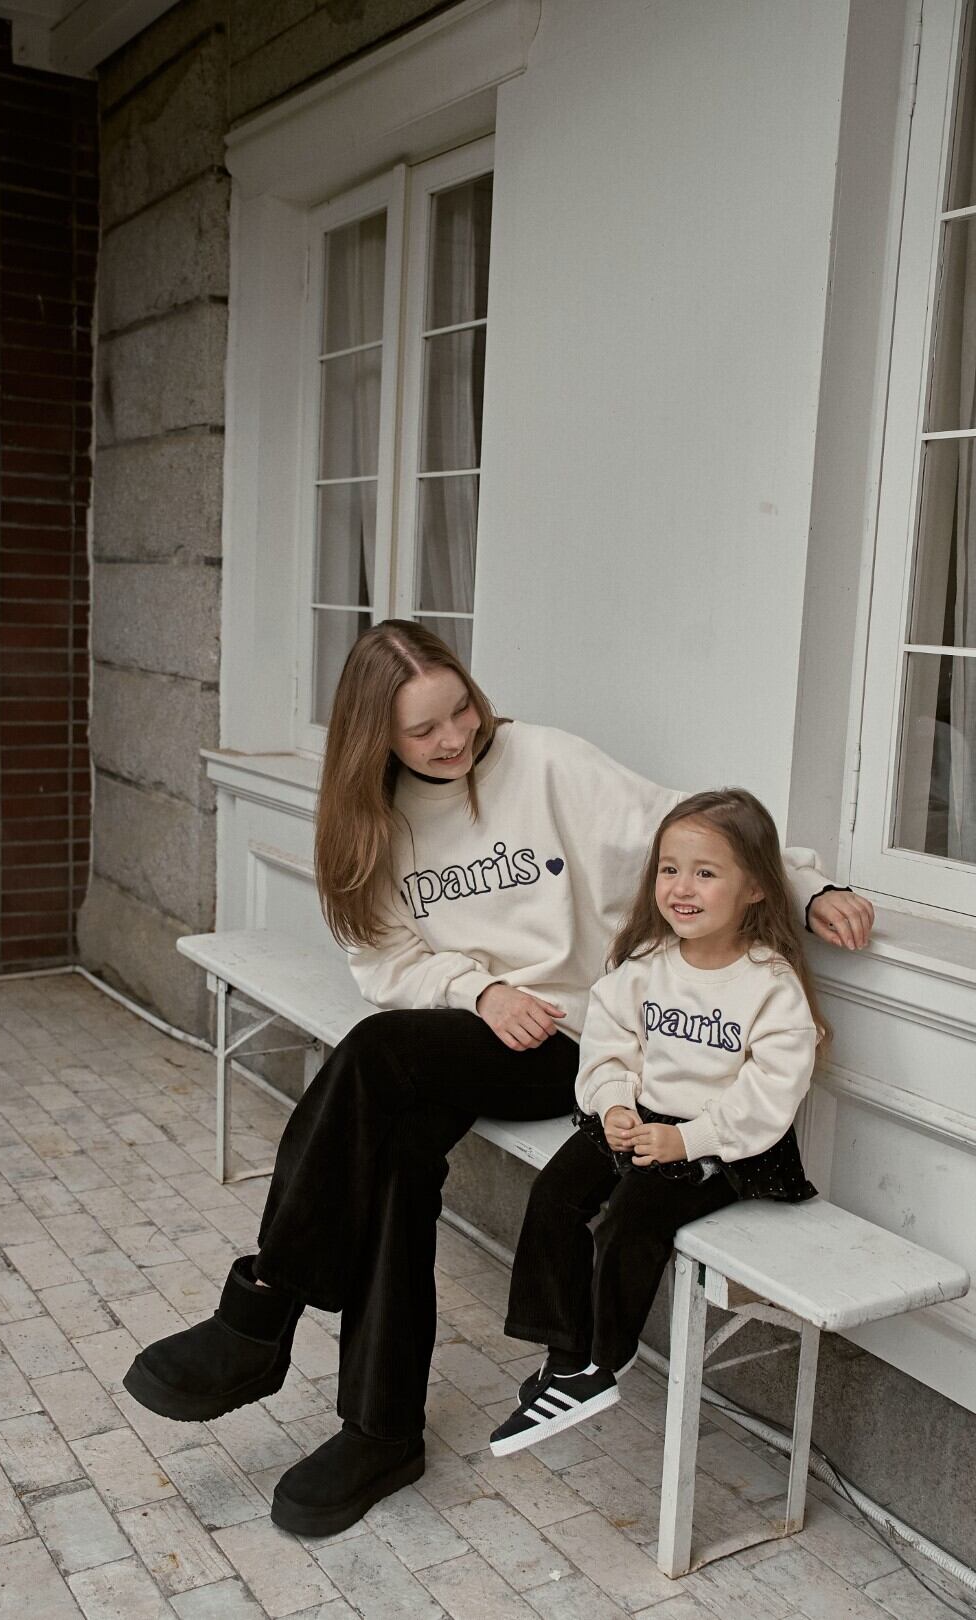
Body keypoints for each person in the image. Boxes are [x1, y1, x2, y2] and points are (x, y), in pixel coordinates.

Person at [122, 623, 872, 1537]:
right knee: (396, 1149)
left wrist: (808, 888)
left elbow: (688, 825)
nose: (453, 739)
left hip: (578, 1042)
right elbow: (385, 962)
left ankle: (262, 1309)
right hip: (475, 1029)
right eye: (422, 729)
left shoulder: (547, 764)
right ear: (374, 738)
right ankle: (380, 1431)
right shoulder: (371, 818)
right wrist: (478, 991)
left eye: (461, 711)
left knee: (374, 1056)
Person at [491, 788, 829, 1456]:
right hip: (639, 1118)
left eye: (706, 873)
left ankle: (602, 1363)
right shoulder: (646, 962)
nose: (681, 887)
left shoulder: (768, 984)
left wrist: (687, 1139)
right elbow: (609, 1045)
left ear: (756, 887)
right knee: (555, 1192)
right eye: (670, 869)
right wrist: (615, 1104)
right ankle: (565, 1355)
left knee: (632, 1216)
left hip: (723, 1142)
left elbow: (770, 1093)